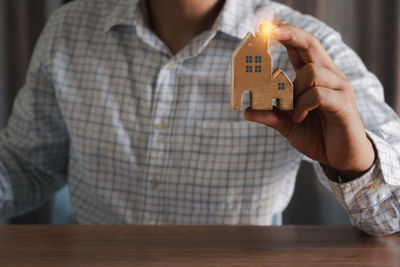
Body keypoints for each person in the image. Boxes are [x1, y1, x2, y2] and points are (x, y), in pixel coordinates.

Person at [0, 0, 399, 235]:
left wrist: (355, 163)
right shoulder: (68, 30)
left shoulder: (308, 48)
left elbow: (392, 211)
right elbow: (25, 167)